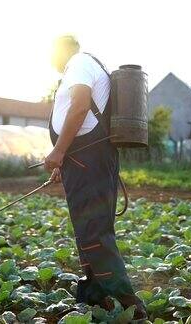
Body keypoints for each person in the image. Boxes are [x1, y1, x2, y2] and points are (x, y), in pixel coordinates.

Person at [44, 35, 147, 321]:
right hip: (83, 160)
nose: (50, 61)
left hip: (88, 159)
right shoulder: (83, 65)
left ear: (62, 50)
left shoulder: (78, 63)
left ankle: (129, 304)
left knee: (93, 231)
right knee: (87, 229)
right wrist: (61, 162)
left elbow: (79, 106)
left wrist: (59, 149)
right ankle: (96, 297)